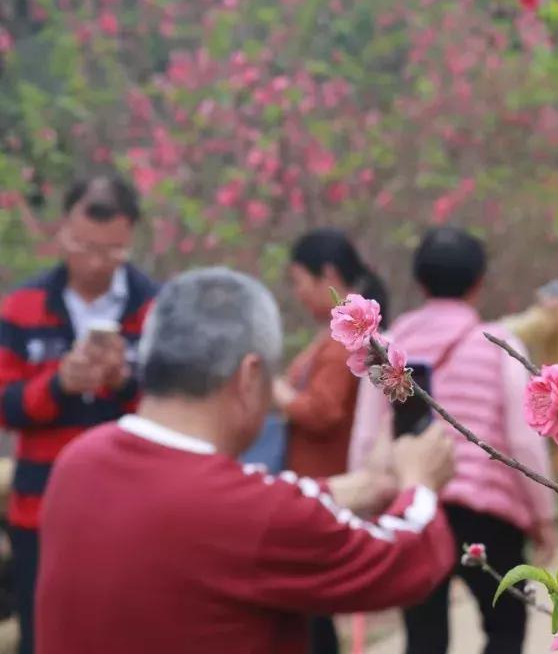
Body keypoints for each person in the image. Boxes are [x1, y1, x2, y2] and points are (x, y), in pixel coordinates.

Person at [36, 268, 457, 654]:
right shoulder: (253, 514)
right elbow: (403, 561)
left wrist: (366, 486)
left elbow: (242, 508)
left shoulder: (78, 462)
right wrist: (419, 483)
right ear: (249, 376)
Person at [349, 227, 558, 654]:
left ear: (419, 282)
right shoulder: (500, 346)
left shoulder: (389, 343)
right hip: (489, 514)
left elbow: (368, 434)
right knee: (504, 626)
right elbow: (523, 441)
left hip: (416, 504)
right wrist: (543, 515)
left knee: (424, 636)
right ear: (479, 283)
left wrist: (368, 501)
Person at [0, 175, 157, 654]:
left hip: (131, 510)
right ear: (63, 229)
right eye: (81, 246)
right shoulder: (23, 306)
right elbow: (5, 406)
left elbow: (176, 408)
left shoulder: (155, 308)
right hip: (40, 510)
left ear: (129, 239)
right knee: (42, 637)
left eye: (110, 253)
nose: (93, 263)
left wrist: (122, 381)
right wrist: (58, 384)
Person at [273, 228, 392, 654]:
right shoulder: (333, 336)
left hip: (328, 484)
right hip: (317, 480)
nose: (298, 292)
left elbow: (324, 411)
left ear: (326, 273)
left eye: (299, 281)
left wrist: (279, 395)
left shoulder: (347, 337)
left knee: (315, 610)